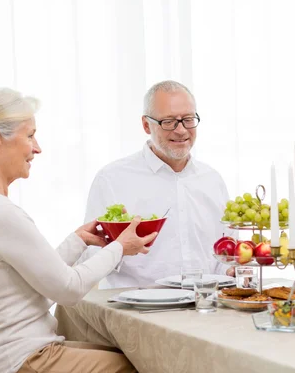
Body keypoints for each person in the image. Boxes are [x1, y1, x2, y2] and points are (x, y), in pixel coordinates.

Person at [0, 88, 155, 373]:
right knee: (139, 364)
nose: (37, 148)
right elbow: (69, 290)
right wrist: (121, 247)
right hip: (20, 360)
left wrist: (78, 242)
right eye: (30, 135)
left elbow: (37, 286)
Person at [81, 80, 232, 289]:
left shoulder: (212, 180)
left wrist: (233, 268)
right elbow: (93, 254)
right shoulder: (112, 179)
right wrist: (121, 247)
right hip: (138, 310)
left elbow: (224, 257)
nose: (181, 131)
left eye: (188, 119)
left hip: (204, 307)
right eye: (169, 122)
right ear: (146, 125)